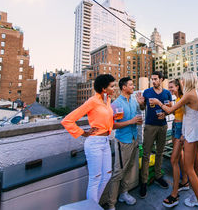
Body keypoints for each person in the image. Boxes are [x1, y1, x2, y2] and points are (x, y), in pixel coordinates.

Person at [152, 71, 198, 210]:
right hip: (197, 126)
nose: (182, 82)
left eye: (183, 80)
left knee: (189, 168)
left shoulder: (189, 94)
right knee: (197, 163)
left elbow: (170, 109)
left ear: (188, 81)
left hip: (190, 129)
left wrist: (159, 103)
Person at [61, 74, 116, 204]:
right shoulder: (92, 101)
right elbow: (67, 120)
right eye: (112, 86)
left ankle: (93, 205)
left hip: (106, 141)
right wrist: (83, 133)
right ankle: (92, 207)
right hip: (94, 143)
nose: (115, 88)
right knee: (95, 179)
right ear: (103, 88)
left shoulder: (107, 100)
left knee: (107, 175)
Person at [100, 77, 144, 210]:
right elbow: (112, 125)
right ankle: (111, 204)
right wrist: (131, 122)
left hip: (134, 138)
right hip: (123, 141)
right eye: (130, 84)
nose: (133, 86)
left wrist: (141, 106)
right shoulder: (116, 104)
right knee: (118, 172)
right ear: (123, 87)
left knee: (129, 168)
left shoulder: (133, 101)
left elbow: (139, 112)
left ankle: (124, 194)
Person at [138, 71, 172, 198]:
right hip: (150, 126)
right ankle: (144, 182)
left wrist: (166, 114)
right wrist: (141, 103)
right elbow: (142, 109)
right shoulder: (147, 92)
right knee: (146, 154)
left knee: (160, 152)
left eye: (156, 79)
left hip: (162, 126)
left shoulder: (167, 93)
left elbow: (170, 108)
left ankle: (158, 176)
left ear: (161, 79)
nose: (153, 81)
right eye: (152, 79)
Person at [162, 79, 189, 208]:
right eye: (169, 87)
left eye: (171, 87)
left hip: (180, 128)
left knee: (173, 160)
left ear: (178, 87)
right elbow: (175, 112)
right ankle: (184, 182)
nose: (170, 89)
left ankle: (174, 193)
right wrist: (169, 110)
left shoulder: (183, 98)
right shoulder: (177, 99)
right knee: (180, 155)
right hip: (175, 125)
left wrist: (184, 133)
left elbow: (188, 116)